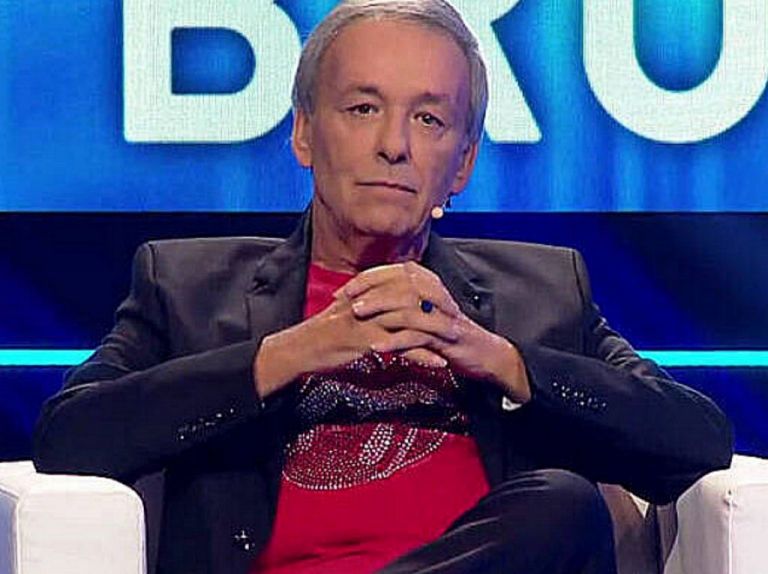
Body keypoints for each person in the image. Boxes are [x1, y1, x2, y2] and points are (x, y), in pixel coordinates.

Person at [33, 1, 733, 573]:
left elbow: (698, 442)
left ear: (463, 163)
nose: (393, 145)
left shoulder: (543, 292)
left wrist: (502, 360)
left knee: (562, 505)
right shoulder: (188, 287)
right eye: (363, 108)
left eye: (429, 119)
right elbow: (69, 438)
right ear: (304, 134)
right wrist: (288, 353)